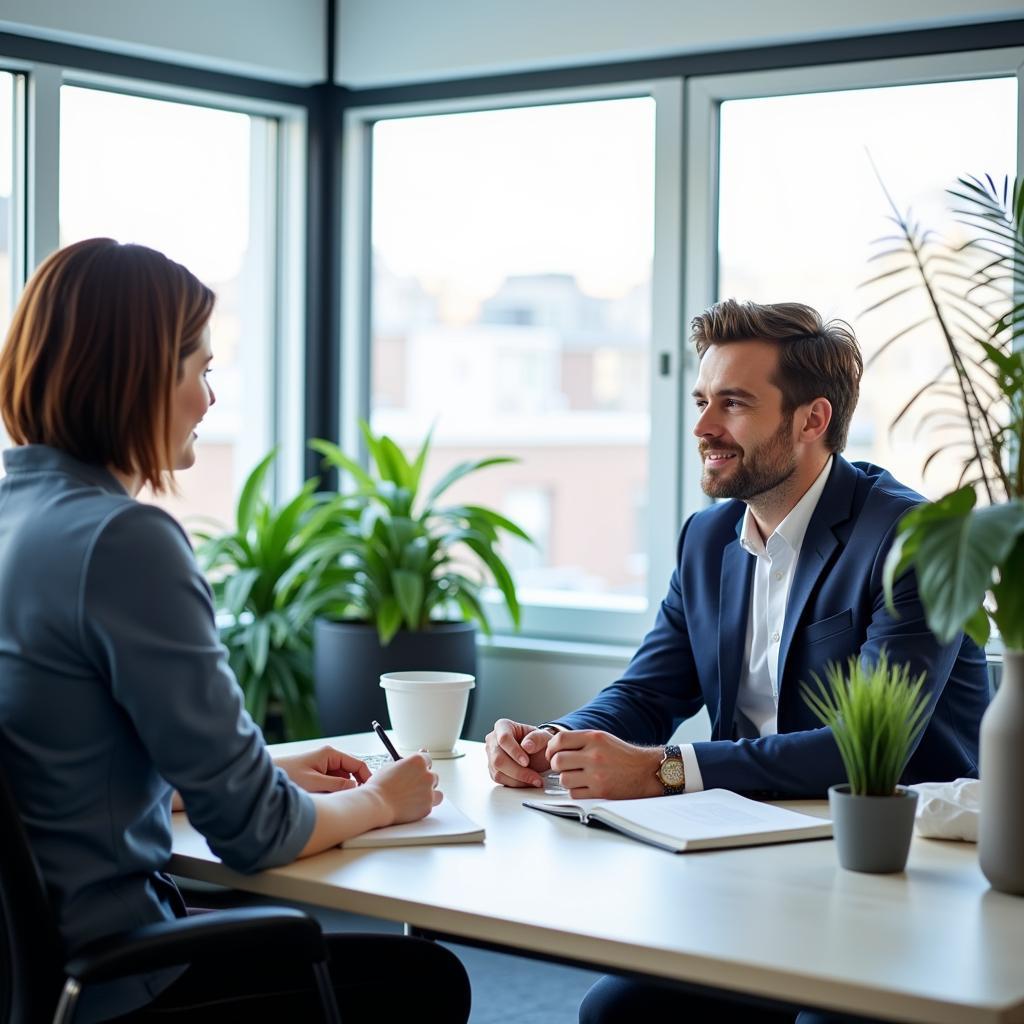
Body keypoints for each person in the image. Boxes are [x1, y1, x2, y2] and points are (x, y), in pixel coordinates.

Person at [0, 238, 471, 1023]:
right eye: (201, 370)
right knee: (425, 979)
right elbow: (256, 835)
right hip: (122, 984)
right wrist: (385, 799)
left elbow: (73, 766)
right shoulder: (122, 542)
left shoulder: (17, 523)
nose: (210, 400)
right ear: (140, 378)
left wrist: (275, 765)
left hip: (36, 981)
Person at [485, 299, 989, 1024]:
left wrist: (665, 771)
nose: (702, 428)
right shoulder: (707, 538)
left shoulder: (911, 539)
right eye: (700, 401)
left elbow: (866, 747)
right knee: (615, 1015)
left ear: (812, 420)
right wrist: (552, 737)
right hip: (748, 869)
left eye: (734, 404)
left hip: (894, 880)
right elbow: (647, 693)